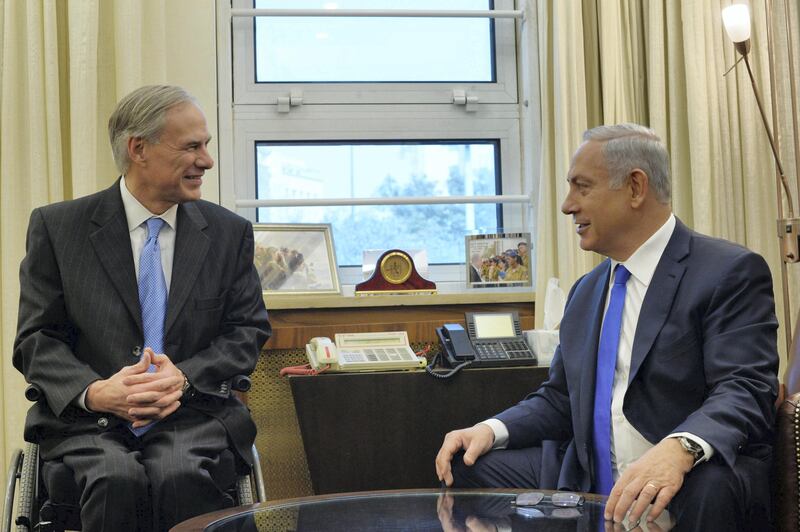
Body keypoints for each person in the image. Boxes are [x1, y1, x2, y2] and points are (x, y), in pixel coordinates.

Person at [435, 123, 779, 531]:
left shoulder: (727, 272)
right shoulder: (586, 292)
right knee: (465, 466)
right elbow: (561, 398)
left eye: (582, 187)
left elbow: (746, 388)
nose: (568, 205)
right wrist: (490, 430)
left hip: (690, 474)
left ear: (635, 187)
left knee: (712, 485)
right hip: (590, 469)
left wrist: (680, 448)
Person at [13, 85, 271, 531]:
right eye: (192, 146)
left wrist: (184, 376)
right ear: (139, 149)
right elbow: (36, 339)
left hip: (194, 418)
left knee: (180, 474)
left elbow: (246, 330)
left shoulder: (228, 234)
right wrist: (95, 391)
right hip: (87, 425)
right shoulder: (59, 229)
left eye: (205, 145)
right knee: (115, 478)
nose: (206, 160)